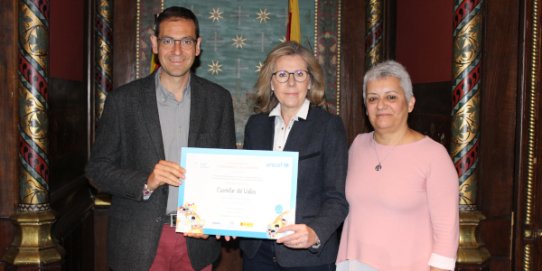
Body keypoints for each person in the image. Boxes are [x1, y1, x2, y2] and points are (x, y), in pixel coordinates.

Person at [85, 6, 236, 271]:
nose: (177, 51)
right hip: (138, 243)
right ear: (155, 44)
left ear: (197, 46)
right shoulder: (123, 100)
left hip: (196, 242)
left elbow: (227, 169)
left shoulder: (218, 100)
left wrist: (216, 219)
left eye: (186, 41)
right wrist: (146, 181)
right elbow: (96, 171)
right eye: (168, 40)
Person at [336, 60, 459, 271]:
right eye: (373, 98)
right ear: (366, 107)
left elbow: (446, 230)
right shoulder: (358, 145)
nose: (381, 105)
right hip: (354, 264)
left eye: (391, 97)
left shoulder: (433, 155)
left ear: (410, 103)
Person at [239, 41, 349, 270]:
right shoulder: (256, 126)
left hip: (307, 257)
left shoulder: (329, 126)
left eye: (299, 74)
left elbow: (336, 199)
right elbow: (246, 187)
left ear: (309, 81)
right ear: (271, 82)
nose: (291, 82)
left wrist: (315, 233)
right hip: (257, 253)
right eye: (282, 74)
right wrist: (227, 221)